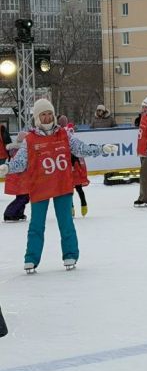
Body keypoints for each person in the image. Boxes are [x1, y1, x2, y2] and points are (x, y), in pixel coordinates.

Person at [0, 98, 117, 273]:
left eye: (50, 114)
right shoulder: (30, 139)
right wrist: (7, 167)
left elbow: (81, 149)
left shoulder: (63, 134)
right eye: (43, 115)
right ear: (37, 118)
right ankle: (31, 258)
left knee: (66, 222)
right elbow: (21, 162)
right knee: (36, 225)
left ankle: (70, 254)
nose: (47, 118)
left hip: (61, 184)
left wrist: (101, 149)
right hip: (40, 186)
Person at [3, 131, 30, 222]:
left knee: (23, 197)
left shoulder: (13, 150)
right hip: (21, 179)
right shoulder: (21, 151)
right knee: (24, 197)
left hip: (17, 179)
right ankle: (9, 213)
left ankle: (18, 213)